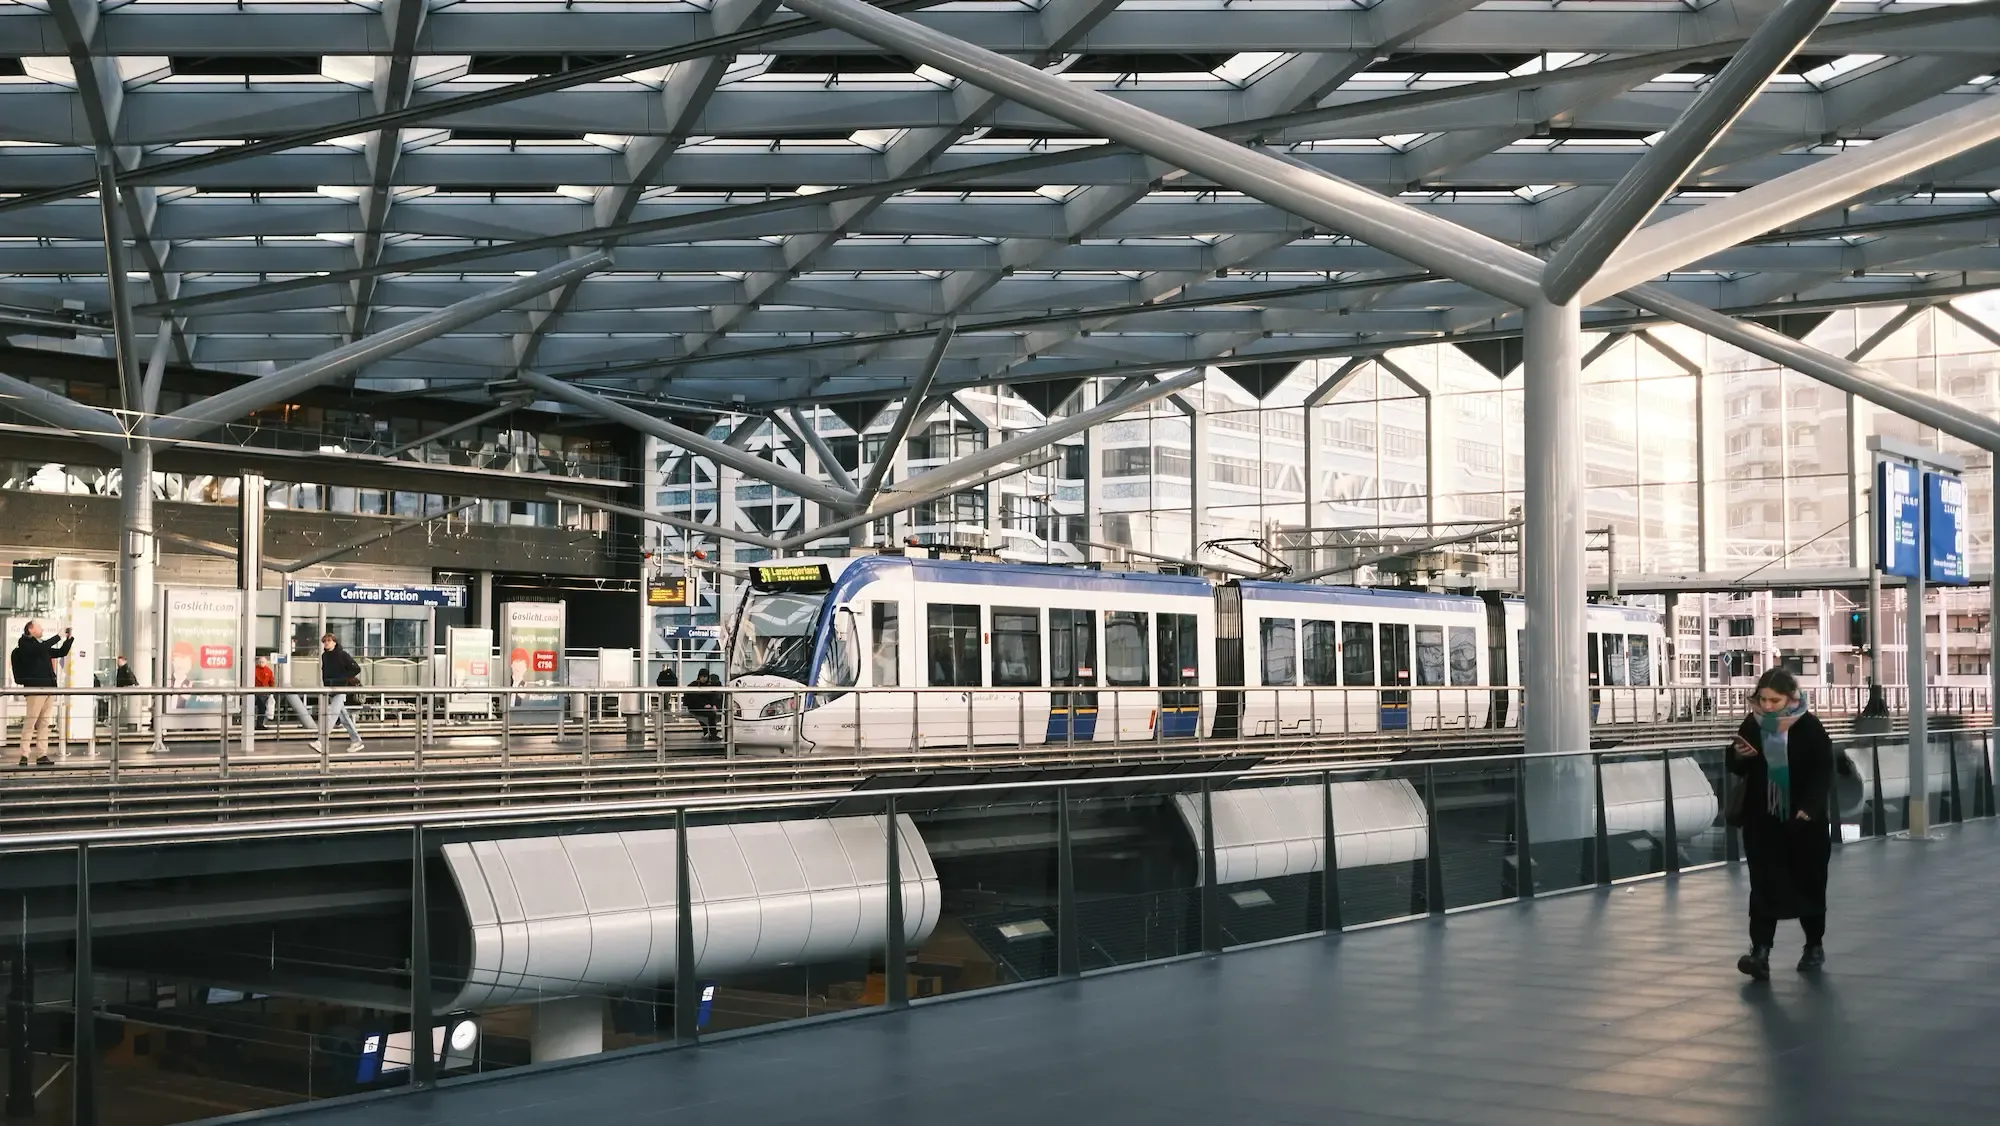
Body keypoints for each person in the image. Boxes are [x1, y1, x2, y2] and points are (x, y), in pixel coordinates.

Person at [1728, 667, 1845, 979]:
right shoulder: (1752, 724)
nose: (1767, 707)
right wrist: (1740, 755)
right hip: (1763, 820)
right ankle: (1760, 952)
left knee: (1809, 883)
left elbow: (1823, 770)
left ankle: (1814, 945)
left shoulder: (1809, 727)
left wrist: (1809, 808)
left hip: (1803, 824)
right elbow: (1736, 766)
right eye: (1762, 700)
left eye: (1774, 701)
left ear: (1791, 698)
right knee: (1763, 886)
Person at [10, 621, 72, 766]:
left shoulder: (41, 646)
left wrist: (68, 639)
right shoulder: (25, 645)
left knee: (44, 723)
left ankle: (42, 754)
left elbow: (61, 652)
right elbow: (40, 648)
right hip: (35, 689)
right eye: (39, 627)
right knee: (30, 722)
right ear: (30, 629)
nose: (42, 629)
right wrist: (58, 636)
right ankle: (24, 754)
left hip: (48, 688)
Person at [318, 634, 365, 753]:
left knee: (332, 714)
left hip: (341, 688)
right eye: (324, 641)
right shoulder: (324, 656)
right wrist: (326, 685)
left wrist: (344, 678)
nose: (326, 643)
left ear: (334, 642)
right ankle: (356, 740)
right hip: (331, 688)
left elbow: (356, 668)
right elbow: (325, 672)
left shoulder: (342, 654)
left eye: (329, 641)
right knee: (344, 717)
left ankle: (321, 741)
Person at [685, 669, 722, 741]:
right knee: (711, 714)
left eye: (705, 676)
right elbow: (693, 699)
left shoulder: (708, 685)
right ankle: (712, 734)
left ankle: (709, 732)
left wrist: (713, 704)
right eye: (702, 676)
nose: (703, 678)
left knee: (710, 714)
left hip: (704, 707)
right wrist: (704, 705)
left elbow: (712, 697)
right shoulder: (693, 685)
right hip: (696, 707)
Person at [253, 654, 277, 729]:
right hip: (254, 692)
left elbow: (271, 682)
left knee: (262, 709)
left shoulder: (268, 671)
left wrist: (271, 692)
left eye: (262, 662)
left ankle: (260, 724)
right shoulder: (254, 670)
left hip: (264, 693)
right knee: (255, 708)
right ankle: (256, 724)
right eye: (260, 662)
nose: (261, 663)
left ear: (266, 663)